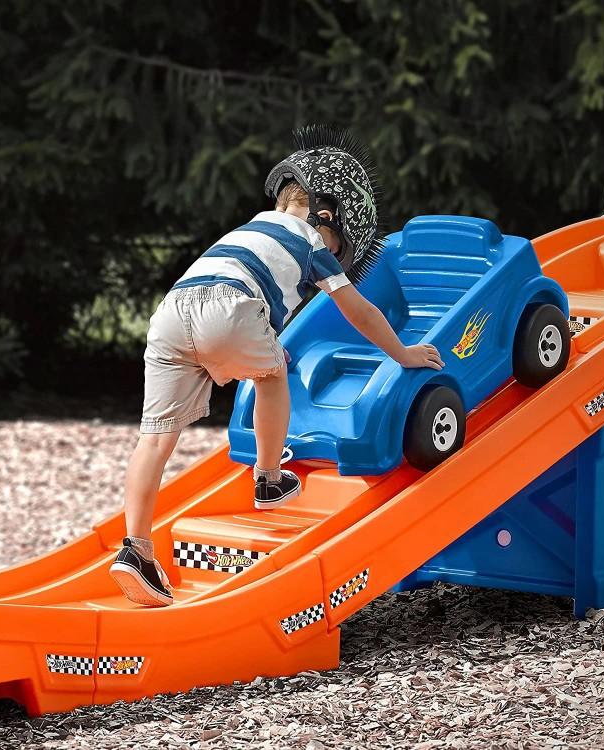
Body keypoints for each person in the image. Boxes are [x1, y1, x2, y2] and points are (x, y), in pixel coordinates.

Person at [109, 124, 444, 607]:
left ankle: (136, 548)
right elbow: (359, 311)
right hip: (229, 309)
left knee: (156, 439)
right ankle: (268, 477)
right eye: (340, 243)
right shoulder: (311, 240)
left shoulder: (249, 228)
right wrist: (404, 354)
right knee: (273, 376)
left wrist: (262, 341)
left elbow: (242, 292)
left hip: (170, 316)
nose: (336, 254)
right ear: (326, 215)